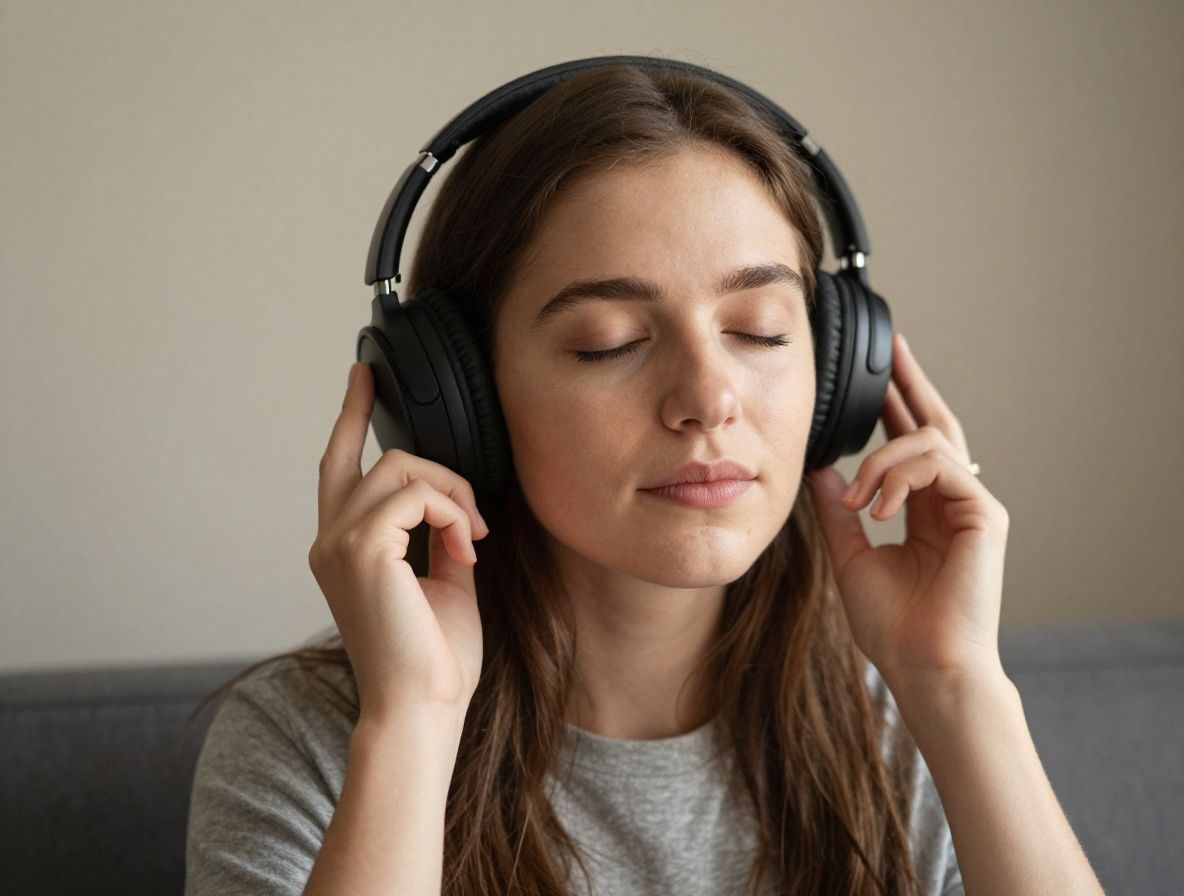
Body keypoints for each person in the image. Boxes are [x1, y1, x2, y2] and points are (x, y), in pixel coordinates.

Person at [183, 61, 1104, 896]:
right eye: (608, 343)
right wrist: (414, 724)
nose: (708, 399)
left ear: (836, 377)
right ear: (456, 398)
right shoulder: (314, 737)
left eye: (760, 331)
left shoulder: (910, 721)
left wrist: (954, 686)